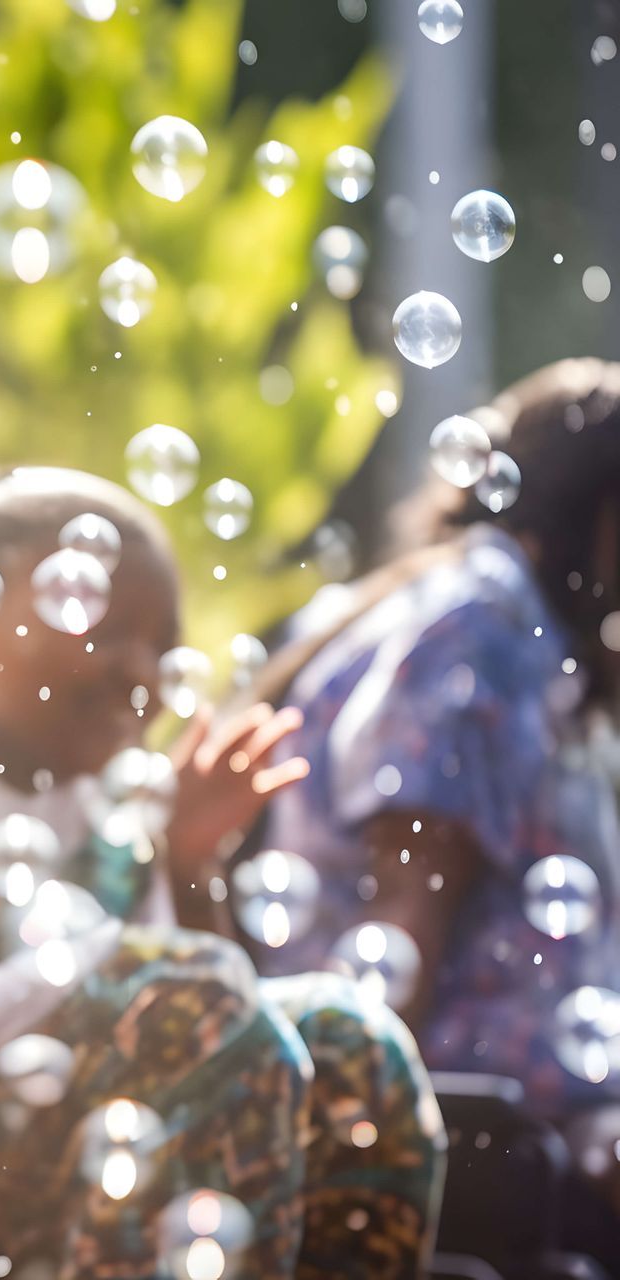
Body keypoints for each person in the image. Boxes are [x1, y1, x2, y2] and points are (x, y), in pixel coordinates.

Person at [0, 466, 445, 1279]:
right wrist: (100, 954)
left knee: (350, 1040)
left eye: (163, 646)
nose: (141, 673)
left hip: (87, 1161)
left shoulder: (111, 802)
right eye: (106, 630)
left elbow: (224, 1037)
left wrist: (190, 867)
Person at [247, 358, 620, 1212]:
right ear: (593, 508)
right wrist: (359, 1190)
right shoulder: (477, 634)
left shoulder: (486, 615)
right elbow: (400, 931)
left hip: (526, 1139)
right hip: (479, 1150)